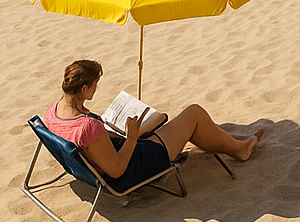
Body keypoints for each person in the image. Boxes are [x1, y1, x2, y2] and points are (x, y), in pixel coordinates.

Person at [43, 60, 263, 191]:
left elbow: (89, 143)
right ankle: (240, 150)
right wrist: (132, 137)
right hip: (132, 167)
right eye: (94, 84)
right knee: (194, 113)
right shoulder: (87, 127)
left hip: (106, 156)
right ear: (83, 88)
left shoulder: (53, 112)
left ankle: (218, 143)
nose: (96, 89)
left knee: (170, 125)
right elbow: (118, 171)